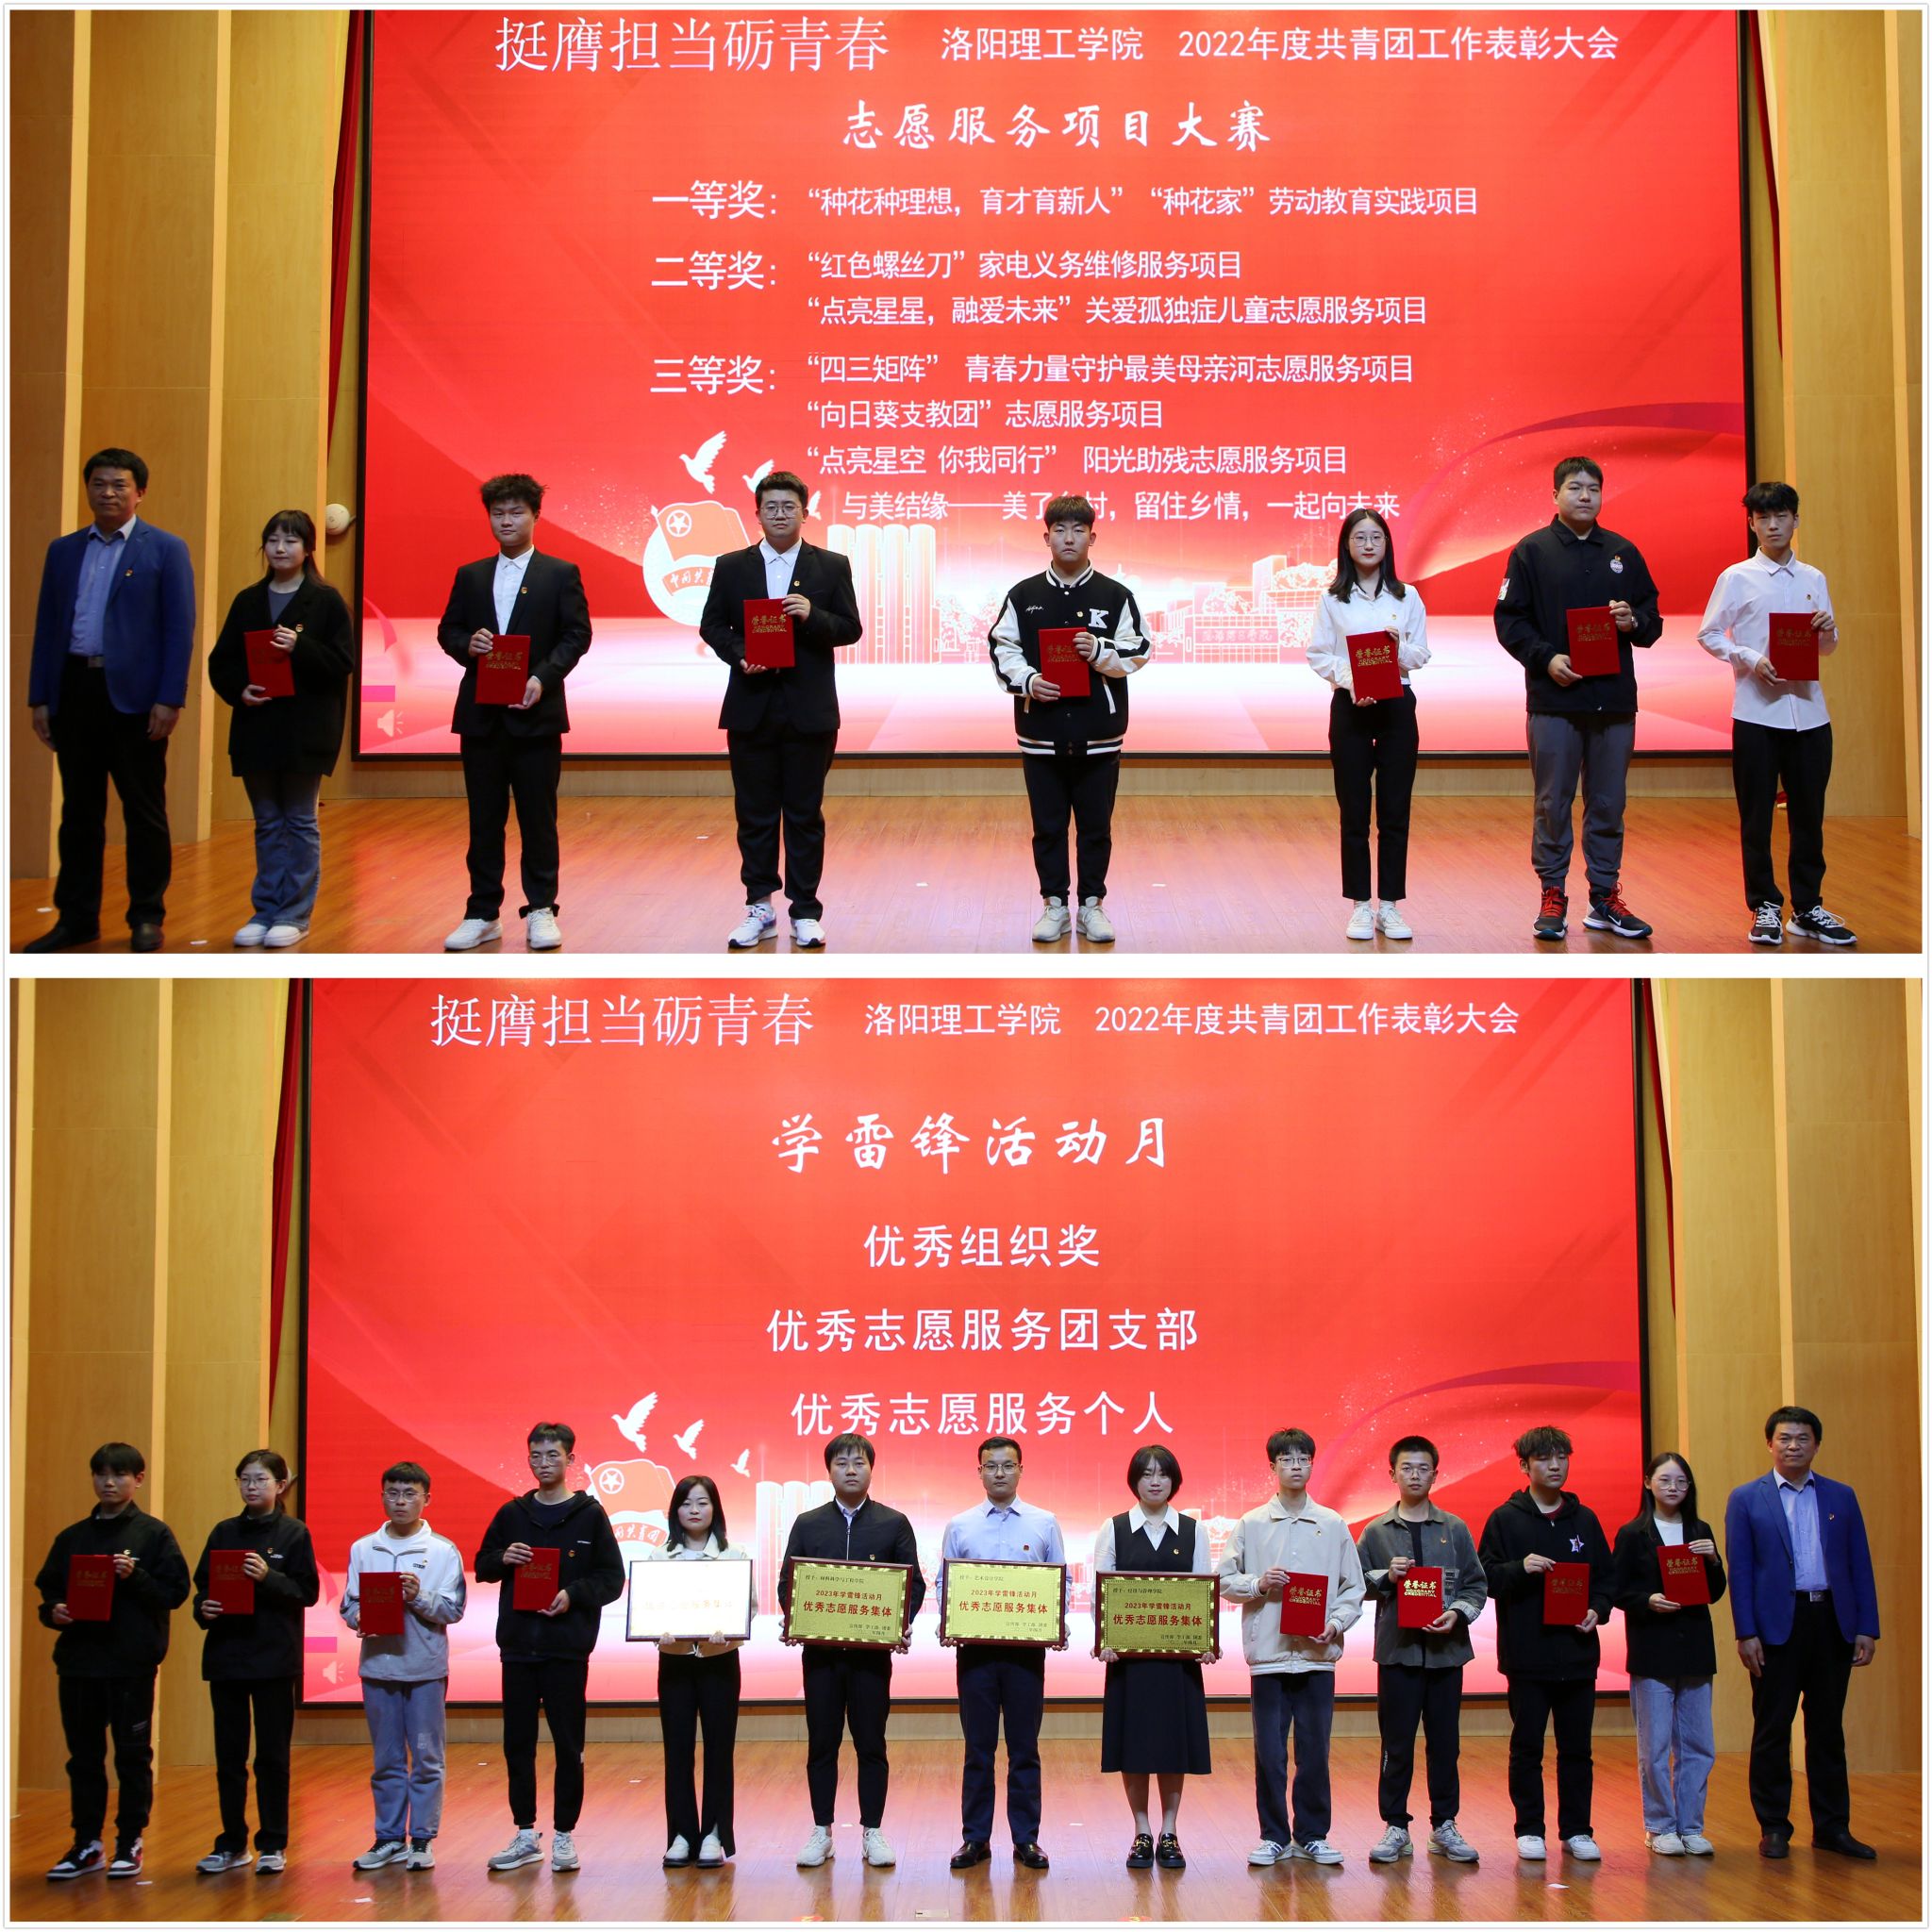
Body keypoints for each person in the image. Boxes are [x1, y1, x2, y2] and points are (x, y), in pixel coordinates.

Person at [24, 447, 194, 953]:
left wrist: (169, 698)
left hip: (137, 700)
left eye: (119, 485)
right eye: (99, 484)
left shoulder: (165, 549)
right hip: (75, 691)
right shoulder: (63, 551)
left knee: (144, 811)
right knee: (79, 813)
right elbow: (47, 627)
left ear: (140, 492)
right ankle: (76, 918)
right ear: (88, 490)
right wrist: (40, 697)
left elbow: (179, 629)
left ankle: (147, 915)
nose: (108, 493)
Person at [1494, 457, 1663, 942]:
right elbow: (1509, 620)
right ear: (1555, 495)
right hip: (1555, 700)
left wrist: (1634, 622)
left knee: (1608, 801)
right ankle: (1552, 894)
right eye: (1574, 487)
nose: (1585, 496)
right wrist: (1546, 658)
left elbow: (1651, 621)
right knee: (1553, 801)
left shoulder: (1623, 552)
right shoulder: (1531, 551)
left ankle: (1604, 896)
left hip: (1613, 701)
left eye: (1593, 488)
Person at [699, 471, 863, 951]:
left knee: (804, 814)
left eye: (788, 506)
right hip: (751, 706)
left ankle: (805, 910)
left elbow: (850, 628)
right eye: (770, 507)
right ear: (757, 513)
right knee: (754, 813)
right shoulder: (732, 566)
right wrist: (740, 654)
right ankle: (759, 907)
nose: (779, 514)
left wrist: (813, 616)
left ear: (805, 513)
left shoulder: (830, 566)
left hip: (809, 709)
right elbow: (712, 625)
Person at [436, 474, 591, 952]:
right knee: (484, 819)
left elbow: (576, 635)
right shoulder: (471, 575)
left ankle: (541, 909)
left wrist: (542, 677)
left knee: (537, 819)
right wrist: (468, 644)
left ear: (535, 516)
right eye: (498, 513)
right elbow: (448, 631)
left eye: (516, 512)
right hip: (481, 716)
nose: (506, 521)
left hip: (535, 716)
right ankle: (482, 912)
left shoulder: (559, 573)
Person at [1695, 481, 1855, 946]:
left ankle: (1807, 907)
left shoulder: (1814, 578)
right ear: (1752, 524)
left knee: (1809, 816)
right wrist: (1748, 657)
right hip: (1756, 715)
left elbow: (1826, 648)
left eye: (1781, 516)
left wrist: (1828, 630)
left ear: (1795, 520)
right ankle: (1764, 905)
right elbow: (1709, 634)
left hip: (1809, 714)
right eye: (1763, 518)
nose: (1772, 525)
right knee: (1757, 817)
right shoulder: (1736, 577)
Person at [988, 493, 1151, 945]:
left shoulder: (1115, 595)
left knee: (1096, 827)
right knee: (1048, 826)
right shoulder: (1023, 595)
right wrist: (1027, 681)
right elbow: (1002, 647)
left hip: (1099, 733)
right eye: (1059, 530)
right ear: (1046, 538)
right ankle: (1054, 905)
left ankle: (1092, 905)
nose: (1069, 538)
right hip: (1041, 732)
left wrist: (1100, 651)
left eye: (1079, 530)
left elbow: (1139, 650)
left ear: (1092, 538)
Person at [1724, 1405, 1879, 1862]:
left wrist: (1866, 1626)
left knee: (1828, 1729)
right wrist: (1746, 1631)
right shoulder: (1746, 1498)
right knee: (1772, 1728)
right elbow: (1741, 1569)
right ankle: (1774, 1826)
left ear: (1816, 1445)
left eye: (1803, 1438)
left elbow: (1859, 1562)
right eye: (1785, 1438)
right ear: (1769, 1444)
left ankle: (1833, 1828)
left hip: (1831, 1621)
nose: (1793, 1446)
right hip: (1775, 1627)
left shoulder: (1841, 1496)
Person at [473, 1421, 625, 1874]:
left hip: (566, 1650)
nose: (544, 1463)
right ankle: (525, 1833)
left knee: (568, 1745)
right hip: (519, 1648)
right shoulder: (511, 1514)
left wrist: (573, 1595)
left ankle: (563, 1834)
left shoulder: (590, 1515)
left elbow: (612, 1579)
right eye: (536, 1456)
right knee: (517, 1744)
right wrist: (503, 1559)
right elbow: (482, 1565)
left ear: (570, 1460)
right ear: (529, 1460)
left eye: (553, 1455)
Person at [34, 1442, 191, 1882]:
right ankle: (87, 1843)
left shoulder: (153, 1535)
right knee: (83, 1758)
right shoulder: (72, 1538)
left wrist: (135, 1575)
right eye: (101, 1474)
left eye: (119, 1474)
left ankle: (129, 1841)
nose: (109, 1482)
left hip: (130, 1665)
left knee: (132, 1756)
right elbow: (48, 1593)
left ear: (138, 1480)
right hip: (79, 1664)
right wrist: (53, 1612)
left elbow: (174, 1593)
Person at [206, 509, 355, 948]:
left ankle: (295, 913)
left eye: (290, 540)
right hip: (257, 724)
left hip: (306, 728)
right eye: (273, 540)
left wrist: (300, 645)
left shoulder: (325, 601)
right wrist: (240, 689)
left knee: (301, 820)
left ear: (308, 549)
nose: (280, 548)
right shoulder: (248, 600)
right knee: (267, 821)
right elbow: (221, 661)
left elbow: (342, 663)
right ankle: (264, 910)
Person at [1216, 1427, 1364, 1868]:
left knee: (1315, 1753)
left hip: (1317, 1658)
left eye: (1303, 1459)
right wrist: (1259, 1584)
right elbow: (1223, 1580)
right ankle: (1274, 1837)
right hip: (1269, 1658)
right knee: (1270, 1754)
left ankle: (1312, 1836)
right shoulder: (1252, 1523)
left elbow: (1353, 1588)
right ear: (1273, 1467)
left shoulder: (1332, 1524)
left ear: (1312, 1465)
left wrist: (1335, 1624)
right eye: (1287, 1459)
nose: (1296, 1466)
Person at [779, 1431, 926, 1867]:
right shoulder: (808, 1523)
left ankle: (872, 1831)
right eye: (841, 1463)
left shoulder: (893, 1523)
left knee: (871, 1744)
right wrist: (796, 1619)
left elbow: (914, 1584)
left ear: (871, 1470)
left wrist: (899, 1624)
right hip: (821, 1658)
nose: (850, 1470)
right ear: (829, 1471)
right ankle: (821, 1830)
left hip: (871, 1660)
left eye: (858, 1462)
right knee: (822, 1744)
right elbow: (788, 1583)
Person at [1476, 1424, 1614, 1864]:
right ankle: (1530, 1829)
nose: (1555, 1466)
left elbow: (1606, 1579)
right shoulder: (1505, 1519)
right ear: (1525, 1466)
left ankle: (1577, 1830)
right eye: (1544, 1459)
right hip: (1527, 1656)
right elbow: (1485, 1578)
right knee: (1527, 1747)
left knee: (1577, 1749)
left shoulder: (1584, 1519)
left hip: (1577, 1654)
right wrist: (1520, 1567)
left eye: (1561, 1457)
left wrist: (1597, 1609)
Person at [1354, 1434, 1487, 1865]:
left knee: (1445, 1745)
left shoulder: (1455, 1528)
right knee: (1396, 1744)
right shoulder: (1376, 1530)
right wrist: (1385, 1576)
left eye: (1423, 1468)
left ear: (1435, 1473)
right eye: (1406, 1468)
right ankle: (1395, 1825)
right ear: (1392, 1474)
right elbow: (1353, 1584)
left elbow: (1475, 1584)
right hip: (1398, 1654)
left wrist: (1458, 1614)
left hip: (1447, 1653)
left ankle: (1444, 1824)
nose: (1415, 1475)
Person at [191, 1451, 321, 1874]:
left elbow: (306, 1593)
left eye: (260, 1479)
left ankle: (273, 1843)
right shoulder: (223, 1532)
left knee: (272, 1757)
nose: (251, 1486)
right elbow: (202, 1588)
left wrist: (268, 1577)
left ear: (280, 1486)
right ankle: (231, 1843)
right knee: (229, 1757)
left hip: (273, 1661)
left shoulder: (294, 1533)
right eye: (244, 1479)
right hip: (227, 1658)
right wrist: (203, 1608)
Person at [939, 1436, 1064, 1873]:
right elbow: (945, 1584)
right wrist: (949, 1623)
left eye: (1007, 1466)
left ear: (1021, 1470)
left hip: (1026, 1656)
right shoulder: (960, 1525)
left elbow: (1060, 1582)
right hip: (975, 1654)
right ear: (979, 1472)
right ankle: (975, 1838)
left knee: (1024, 1748)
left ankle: (1026, 1839)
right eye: (990, 1466)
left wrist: (1057, 1624)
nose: (999, 1473)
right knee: (978, 1749)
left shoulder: (1044, 1522)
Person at [1307, 508, 1430, 941]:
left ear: (1387, 544)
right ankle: (1360, 905)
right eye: (1359, 537)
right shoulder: (1331, 599)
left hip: (1397, 707)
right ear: (1347, 545)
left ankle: (1390, 906)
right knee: (1354, 811)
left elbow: (1421, 653)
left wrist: (1397, 650)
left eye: (1376, 536)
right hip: (1350, 707)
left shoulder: (1407, 596)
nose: (1368, 544)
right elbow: (1318, 654)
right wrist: (1352, 680)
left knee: (1395, 810)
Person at [340, 1460, 467, 1872]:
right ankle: (389, 1837)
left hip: (425, 1669)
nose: (400, 1501)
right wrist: (360, 1618)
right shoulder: (364, 1548)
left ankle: (423, 1839)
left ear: (426, 1499)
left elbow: (453, 1610)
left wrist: (418, 1596)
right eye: (392, 1493)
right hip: (378, 1667)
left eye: (409, 1494)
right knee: (386, 1760)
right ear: (382, 1497)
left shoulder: (442, 1550)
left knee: (427, 1758)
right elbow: (349, 1605)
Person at [1094, 1443, 1211, 1870]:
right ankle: (1142, 1830)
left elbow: (1203, 1590)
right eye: (1146, 1474)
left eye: (1163, 1473)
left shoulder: (1193, 1531)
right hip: (1129, 1661)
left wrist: (1206, 1640)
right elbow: (1102, 1590)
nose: (1155, 1481)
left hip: (1178, 1661)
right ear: (1135, 1481)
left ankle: (1170, 1831)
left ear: (1174, 1480)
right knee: (1135, 1745)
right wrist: (1104, 1639)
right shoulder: (1114, 1528)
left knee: (1173, 1745)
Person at [1610, 1451, 1725, 1857]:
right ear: (1648, 1483)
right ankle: (1660, 1826)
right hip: (1652, 1650)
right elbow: (1617, 1590)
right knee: (1655, 1748)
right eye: (1664, 1480)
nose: (1673, 1488)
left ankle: (1691, 1825)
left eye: (1681, 1481)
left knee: (1699, 1745)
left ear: (1689, 1487)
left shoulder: (1700, 1530)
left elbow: (1714, 1592)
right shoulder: (1633, 1533)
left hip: (1695, 1649)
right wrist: (1647, 1600)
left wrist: (1714, 1560)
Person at [643, 1474, 748, 1870]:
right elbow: (648, 1608)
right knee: (677, 1750)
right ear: (675, 1511)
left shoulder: (733, 1555)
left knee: (719, 1750)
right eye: (686, 1503)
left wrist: (730, 1630)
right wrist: (656, 1630)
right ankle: (682, 1834)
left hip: (720, 1662)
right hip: (675, 1662)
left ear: (715, 1509)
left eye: (702, 1502)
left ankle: (714, 1834)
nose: (694, 1510)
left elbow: (749, 1606)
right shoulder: (659, 1557)